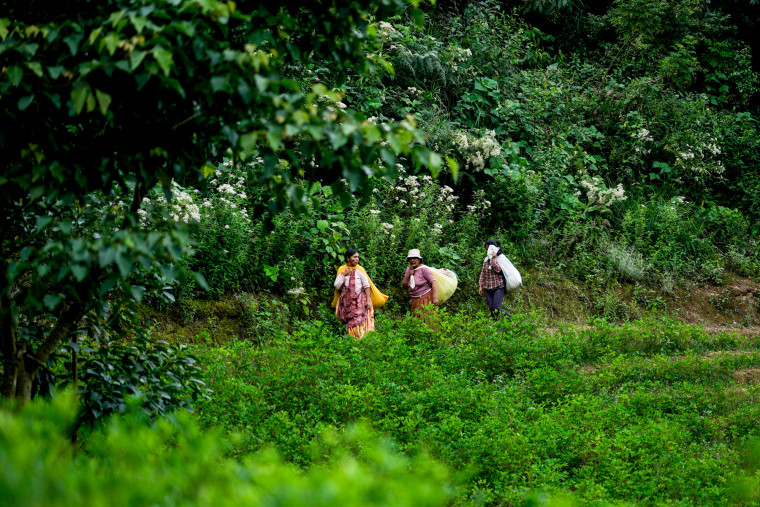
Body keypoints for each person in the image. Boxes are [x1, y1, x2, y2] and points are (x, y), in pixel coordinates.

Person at [334, 249, 375, 339]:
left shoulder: (360, 269)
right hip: (346, 303)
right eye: (355, 257)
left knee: (359, 321)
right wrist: (343, 274)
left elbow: (366, 286)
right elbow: (337, 286)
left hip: (359, 302)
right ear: (348, 258)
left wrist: (368, 300)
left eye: (358, 257)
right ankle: (350, 340)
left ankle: (360, 339)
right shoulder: (342, 270)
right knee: (348, 321)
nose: (357, 259)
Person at [478, 239, 511, 320]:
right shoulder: (486, 260)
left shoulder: (500, 258)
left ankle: (511, 319)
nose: (486, 251)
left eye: (487, 249)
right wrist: (480, 286)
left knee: (496, 308)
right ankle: (494, 328)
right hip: (488, 289)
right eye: (485, 249)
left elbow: (498, 270)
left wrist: (493, 259)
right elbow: (483, 273)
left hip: (499, 287)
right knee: (492, 310)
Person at [402, 249, 438, 319]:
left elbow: (433, 282)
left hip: (426, 299)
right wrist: (409, 276)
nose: (412, 260)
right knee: (417, 322)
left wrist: (435, 298)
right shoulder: (408, 270)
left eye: (414, 258)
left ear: (419, 260)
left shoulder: (424, 269)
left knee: (427, 320)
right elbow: (404, 285)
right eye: (410, 259)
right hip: (415, 300)